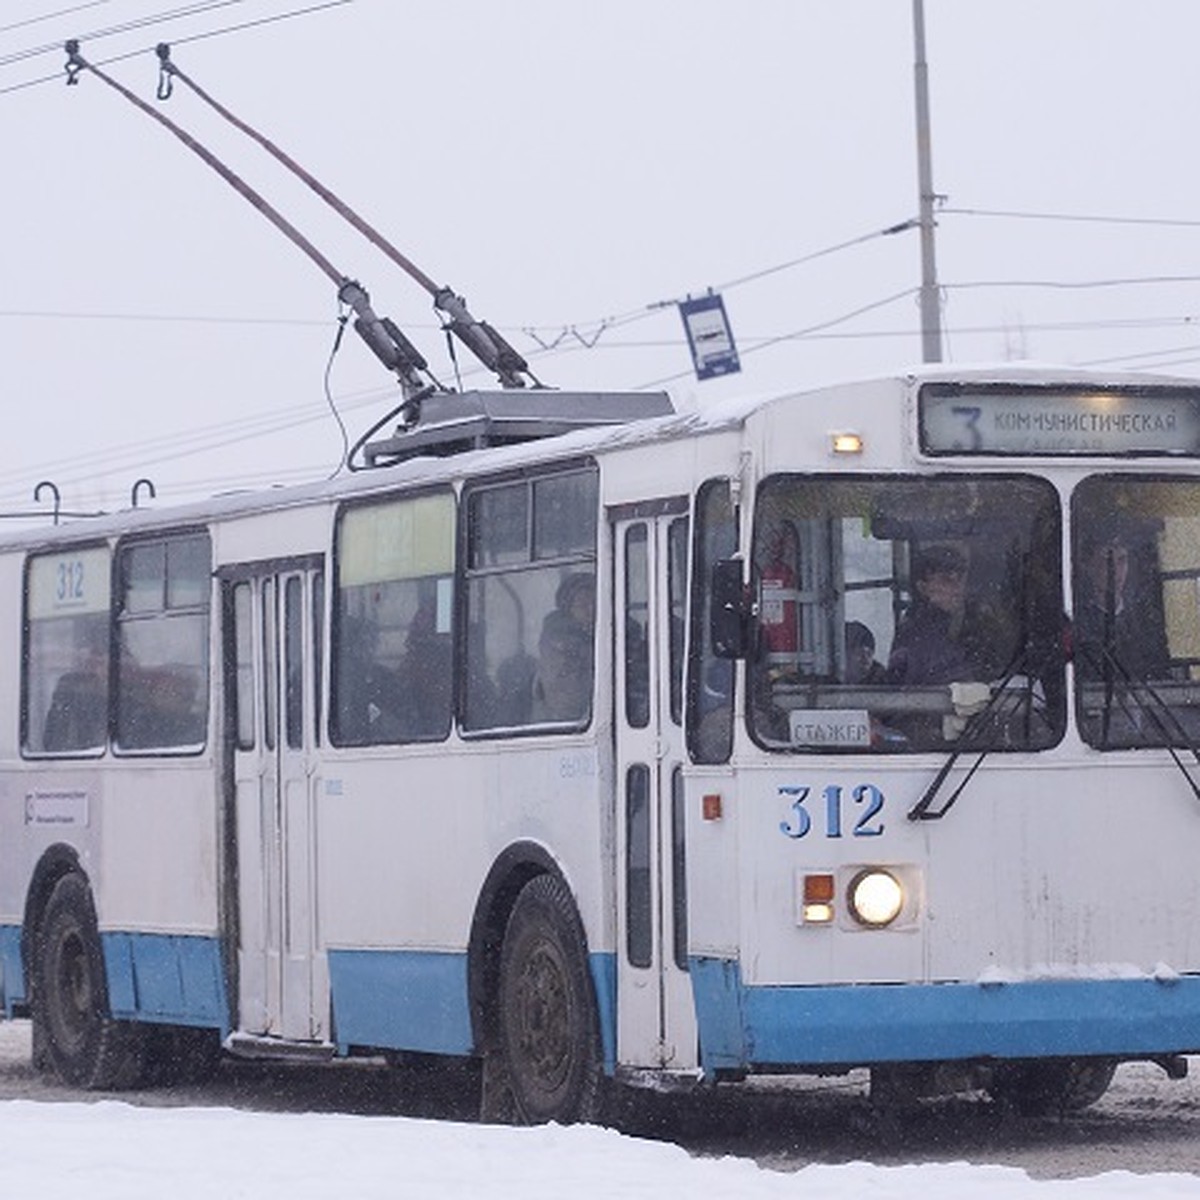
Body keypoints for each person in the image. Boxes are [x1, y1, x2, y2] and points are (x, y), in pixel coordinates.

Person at [1072, 532, 1171, 682]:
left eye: (1122, 561)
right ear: (1089, 567)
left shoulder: (1146, 623)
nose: (1115, 571)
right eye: (1107, 561)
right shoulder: (1077, 624)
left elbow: (1161, 676)